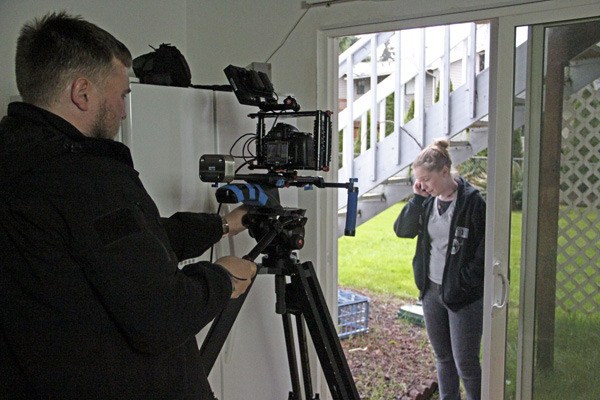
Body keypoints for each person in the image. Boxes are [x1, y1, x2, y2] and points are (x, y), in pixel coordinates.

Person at [0, 11, 256, 400]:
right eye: (121, 94)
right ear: (82, 92)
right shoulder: (86, 176)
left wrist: (221, 226)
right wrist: (221, 279)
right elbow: (161, 316)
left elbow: (122, 244)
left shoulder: (19, 157)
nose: (122, 110)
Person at [394, 139, 486, 400]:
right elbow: (403, 231)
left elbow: (484, 251)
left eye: (426, 179)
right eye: (418, 180)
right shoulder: (426, 200)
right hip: (431, 291)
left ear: (445, 172)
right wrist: (416, 198)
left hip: (463, 296)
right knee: (443, 358)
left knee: (466, 363)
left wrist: (464, 282)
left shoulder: (473, 203)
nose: (422, 185)